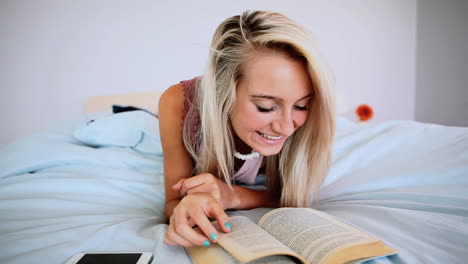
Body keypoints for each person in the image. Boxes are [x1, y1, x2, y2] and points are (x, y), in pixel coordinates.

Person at [159, 10, 335, 248]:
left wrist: (232, 195)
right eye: (266, 107)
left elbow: (292, 198)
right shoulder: (177, 103)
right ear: (224, 92)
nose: (285, 127)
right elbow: (173, 200)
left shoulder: (311, 121)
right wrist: (184, 208)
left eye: (302, 105)